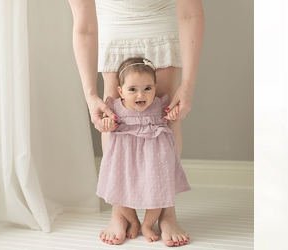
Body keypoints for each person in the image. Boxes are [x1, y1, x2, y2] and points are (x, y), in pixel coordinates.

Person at [67, 0, 203, 246]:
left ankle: (166, 211)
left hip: (162, 18)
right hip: (112, 24)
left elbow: (191, 13)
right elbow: (84, 26)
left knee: (164, 112)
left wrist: (189, 84)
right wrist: (90, 96)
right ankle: (119, 211)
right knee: (115, 116)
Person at [96, 57, 191, 244]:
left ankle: (148, 224)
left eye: (148, 88)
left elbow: (170, 116)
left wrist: (172, 113)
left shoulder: (159, 104)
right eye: (133, 90)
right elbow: (108, 122)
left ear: (155, 88)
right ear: (120, 92)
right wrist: (107, 122)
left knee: (158, 196)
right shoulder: (115, 107)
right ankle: (132, 221)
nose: (141, 95)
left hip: (153, 159)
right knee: (120, 193)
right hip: (125, 159)